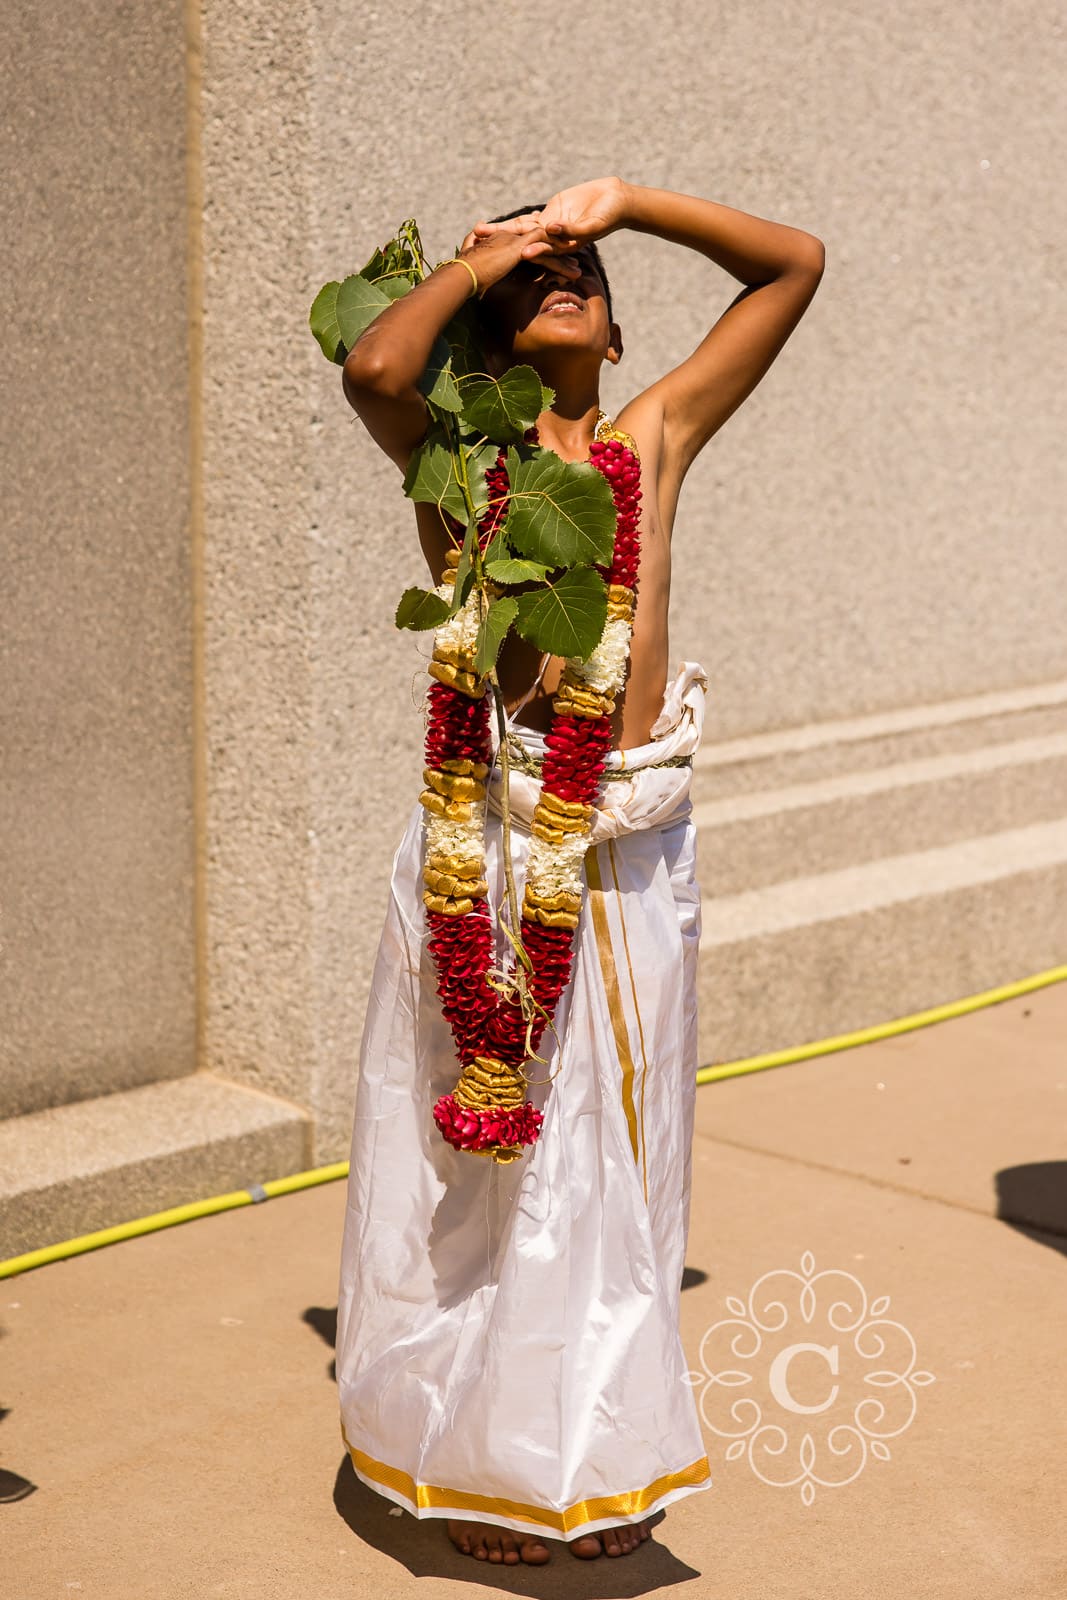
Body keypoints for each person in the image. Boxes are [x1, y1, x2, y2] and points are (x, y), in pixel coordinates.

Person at [336, 177, 824, 1565]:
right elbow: (375, 362)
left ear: (616, 342)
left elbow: (794, 265)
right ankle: (480, 1461)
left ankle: (583, 1455)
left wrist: (626, 201)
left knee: (610, 1175)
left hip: (622, 848)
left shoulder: (652, 436)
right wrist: (491, 253)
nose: (565, 276)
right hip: (484, 846)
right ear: (483, 331)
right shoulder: (459, 458)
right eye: (530, 278)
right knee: (475, 1172)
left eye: (586, 275)